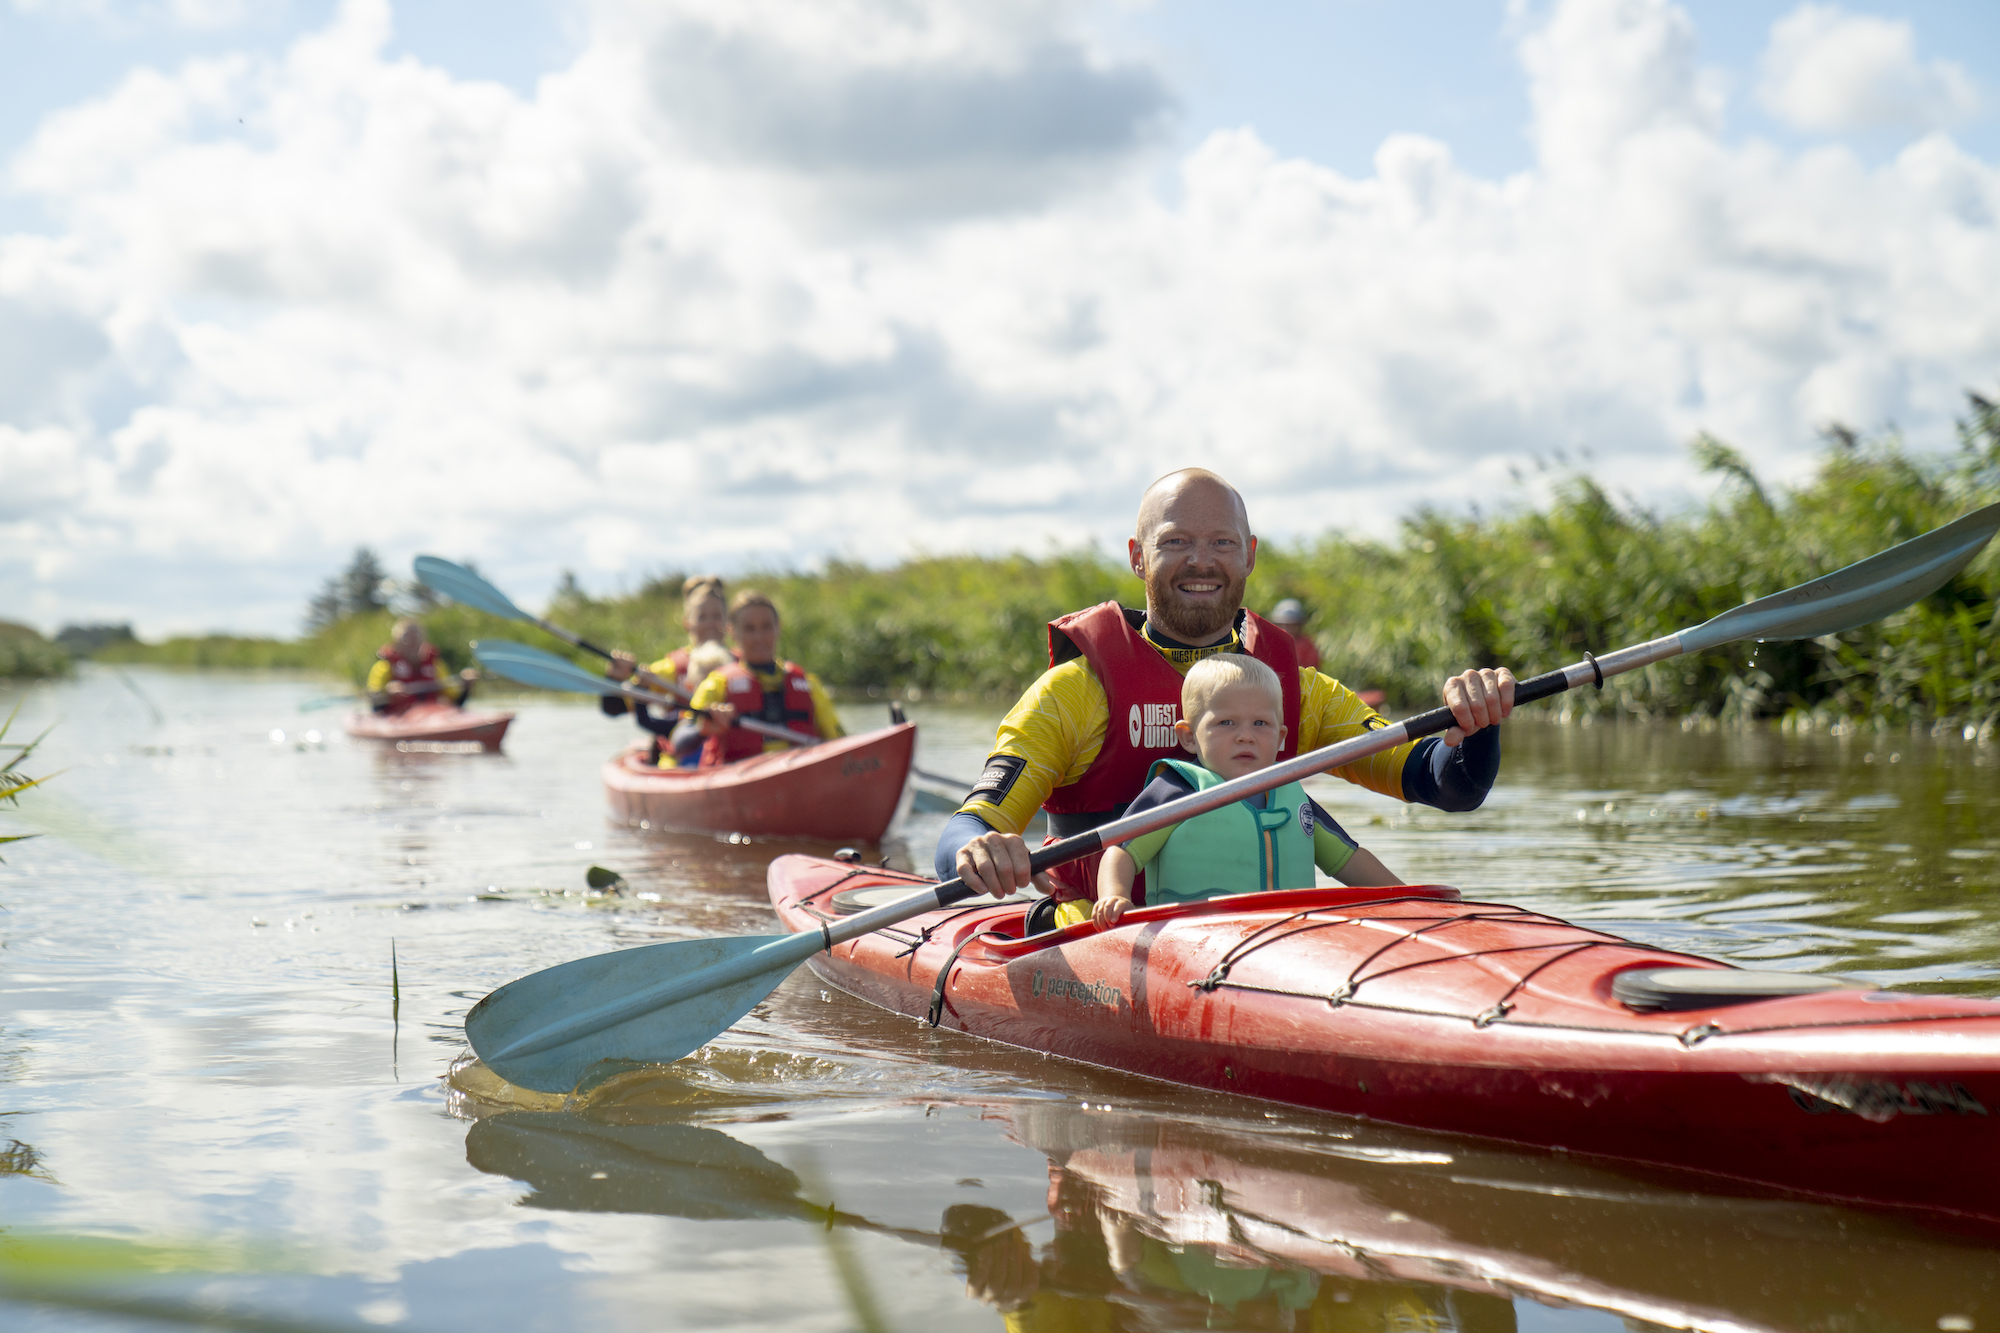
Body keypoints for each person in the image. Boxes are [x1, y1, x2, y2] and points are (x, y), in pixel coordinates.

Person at [937, 468, 1514, 915]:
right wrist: (978, 851)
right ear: (1138, 557)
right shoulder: (1074, 693)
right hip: (1110, 941)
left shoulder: (1293, 691)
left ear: (1250, 555)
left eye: (1221, 542)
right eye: (1176, 542)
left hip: (1271, 941)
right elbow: (967, 830)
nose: (1201, 561)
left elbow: (1447, 785)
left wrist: (1475, 726)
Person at [1092, 654, 1399, 928]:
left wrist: (1408, 897)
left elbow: (1350, 860)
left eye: (1260, 723)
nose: (1245, 736)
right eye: (1226, 722)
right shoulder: (1177, 790)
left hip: (1290, 936)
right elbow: (1121, 852)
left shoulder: (1293, 798)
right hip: (1194, 942)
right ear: (1188, 737)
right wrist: (1114, 896)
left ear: (1280, 738)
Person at [687, 591, 844, 765]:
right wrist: (703, 729)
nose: (759, 637)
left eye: (766, 627)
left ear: (778, 627)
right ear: (732, 631)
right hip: (742, 778)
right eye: (749, 629)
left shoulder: (807, 683)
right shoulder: (717, 684)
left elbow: (839, 739)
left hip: (801, 774)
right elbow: (680, 741)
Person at [603, 575, 731, 766]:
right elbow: (613, 708)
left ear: (729, 623)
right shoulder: (671, 669)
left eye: (717, 616)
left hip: (730, 757)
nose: (710, 624)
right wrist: (615, 678)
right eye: (702, 617)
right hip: (682, 756)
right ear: (687, 622)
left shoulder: (743, 664)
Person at [366, 618, 475, 714]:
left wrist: (466, 686)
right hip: (399, 717)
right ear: (396, 642)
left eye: (416, 639)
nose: (412, 644)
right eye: (407, 639)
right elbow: (375, 703)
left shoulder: (435, 665)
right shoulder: (384, 666)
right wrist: (388, 693)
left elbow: (455, 702)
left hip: (432, 716)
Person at [1266, 597, 1321, 670]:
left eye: (1290, 626)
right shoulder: (1269, 643)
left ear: (1299, 626)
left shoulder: (1307, 647)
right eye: (1281, 625)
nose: (1285, 629)